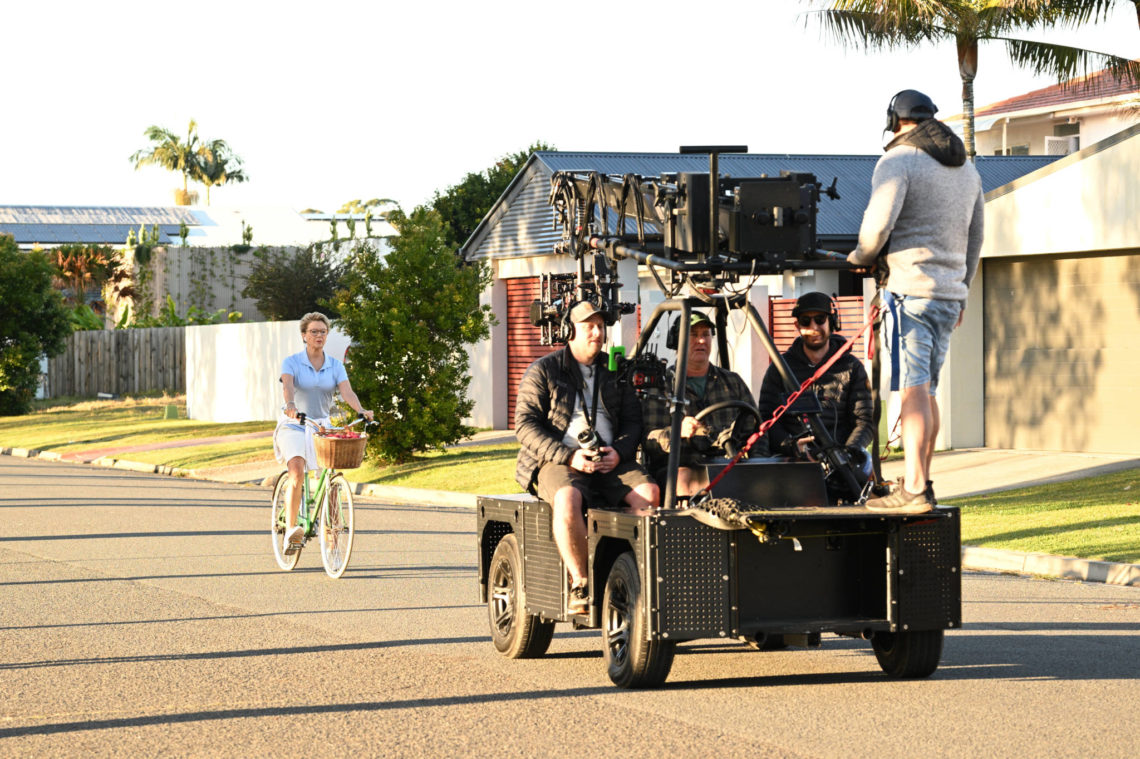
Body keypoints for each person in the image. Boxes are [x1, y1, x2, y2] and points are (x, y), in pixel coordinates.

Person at [847, 89, 984, 514]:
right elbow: (976, 236)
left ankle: (913, 489)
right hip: (948, 296)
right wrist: (962, 290)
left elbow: (877, 227)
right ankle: (922, 482)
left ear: (895, 121)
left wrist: (860, 257)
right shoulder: (967, 170)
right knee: (928, 392)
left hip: (910, 293)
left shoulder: (898, 161)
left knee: (912, 391)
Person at [514, 301, 659, 614]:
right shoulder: (543, 370)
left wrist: (618, 453)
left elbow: (634, 422)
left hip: (610, 460)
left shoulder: (616, 370)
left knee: (649, 493)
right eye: (589, 326)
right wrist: (569, 457)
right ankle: (580, 582)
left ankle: (638, 577)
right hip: (559, 461)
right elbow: (524, 426)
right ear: (570, 331)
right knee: (567, 499)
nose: (597, 332)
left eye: (601, 326)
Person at [274, 312, 373, 552]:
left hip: (322, 426)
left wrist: (360, 410)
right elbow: (288, 387)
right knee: (296, 471)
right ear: (304, 336)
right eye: (314, 332)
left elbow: (347, 392)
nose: (319, 336)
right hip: (295, 423)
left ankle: (332, 531)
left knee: (330, 475)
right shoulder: (292, 362)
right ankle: (291, 531)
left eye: (323, 332)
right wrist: (290, 407)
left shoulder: (335, 365)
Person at [756, 292, 873, 492]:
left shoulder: (852, 367)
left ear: (832, 322)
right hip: (793, 463)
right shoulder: (780, 368)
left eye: (820, 319)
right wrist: (791, 445)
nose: (813, 328)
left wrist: (848, 452)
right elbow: (767, 420)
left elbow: (865, 420)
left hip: (843, 464)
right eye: (805, 321)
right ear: (797, 326)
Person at [641, 311, 758, 496]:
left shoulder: (732, 382)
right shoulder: (662, 386)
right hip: (681, 468)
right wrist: (676, 431)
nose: (701, 341)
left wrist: (760, 462)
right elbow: (648, 441)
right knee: (684, 480)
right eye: (693, 335)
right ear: (676, 342)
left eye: (705, 335)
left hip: (728, 465)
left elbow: (757, 430)